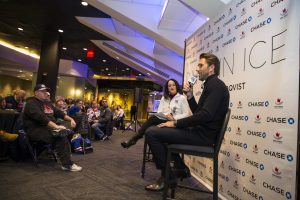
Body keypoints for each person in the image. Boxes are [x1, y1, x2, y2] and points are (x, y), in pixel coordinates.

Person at [144, 53, 230, 191]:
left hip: (203, 136)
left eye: (201, 65)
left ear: (211, 68)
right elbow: (199, 113)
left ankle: (168, 177)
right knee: (160, 132)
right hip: (199, 132)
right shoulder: (210, 85)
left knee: (152, 133)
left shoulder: (216, 85)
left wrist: (176, 123)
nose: (198, 69)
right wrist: (190, 95)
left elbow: (205, 115)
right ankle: (180, 169)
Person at [23, 84, 82, 172]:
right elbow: (41, 118)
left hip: (49, 127)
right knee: (60, 136)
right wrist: (56, 127)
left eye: (46, 91)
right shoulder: (31, 103)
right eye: (43, 91)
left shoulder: (47, 103)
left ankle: (63, 153)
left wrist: (71, 119)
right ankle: (67, 165)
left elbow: (59, 113)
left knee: (67, 130)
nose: (46, 93)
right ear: (36, 93)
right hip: (36, 130)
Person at [121, 79, 191, 148]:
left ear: (177, 86)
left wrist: (174, 118)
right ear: (167, 88)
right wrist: (166, 115)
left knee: (153, 119)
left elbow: (186, 114)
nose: (172, 87)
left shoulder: (182, 98)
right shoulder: (164, 98)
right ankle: (137, 138)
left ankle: (135, 138)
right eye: (169, 86)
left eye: (173, 85)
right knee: (151, 126)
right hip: (164, 118)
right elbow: (159, 111)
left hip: (175, 122)